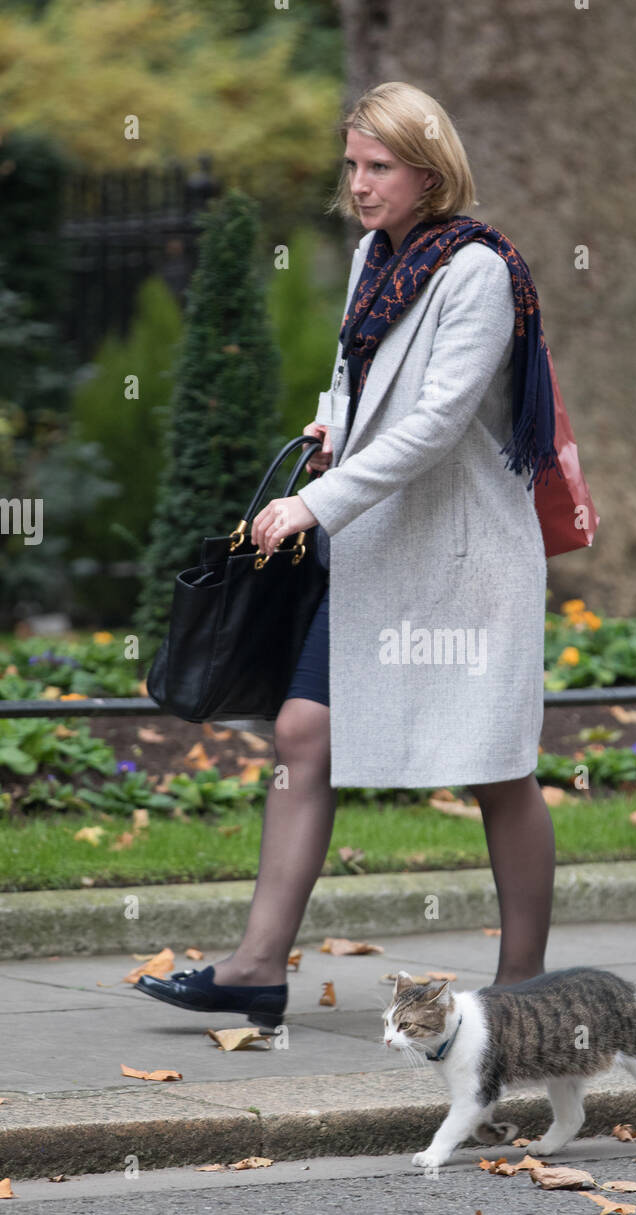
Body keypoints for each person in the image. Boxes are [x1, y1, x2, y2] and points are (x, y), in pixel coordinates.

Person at [135, 81, 560, 1031]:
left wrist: (310, 502)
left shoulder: (478, 271)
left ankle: (523, 985)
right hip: (375, 552)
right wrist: (332, 424)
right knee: (301, 735)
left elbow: (441, 424)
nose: (359, 186)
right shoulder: (379, 254)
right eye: (352, 165)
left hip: (462, 562)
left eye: (379, 168)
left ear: (429, 170)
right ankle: (254, 969)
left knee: (494, 767)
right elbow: (354, 378)